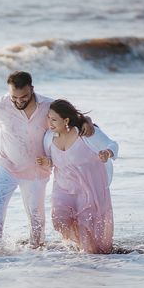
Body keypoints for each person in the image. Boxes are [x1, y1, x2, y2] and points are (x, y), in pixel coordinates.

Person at [0, 72, 94, 248]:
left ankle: (35, 254)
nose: (19, 101)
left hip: (36, 171)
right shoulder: (1, 105)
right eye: (14, 97)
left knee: (36, 217)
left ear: (32, 89)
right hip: (7, 167)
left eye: (24, 97)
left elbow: (73, 119)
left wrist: (87, 122)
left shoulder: (48, 106)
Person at [36, 99, 118, 254]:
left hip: (88, 189)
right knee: (59, 220)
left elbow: (113, 144)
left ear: (66, 120)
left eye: (53, 119)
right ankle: (78, 247)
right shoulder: (48, 137)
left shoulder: (85, 133)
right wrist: (47, 161)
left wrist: (107, 153)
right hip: (63, 188)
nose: (49, 122)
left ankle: (90, 260)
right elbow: (55, 160)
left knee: (86, 229)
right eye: (48, 118)